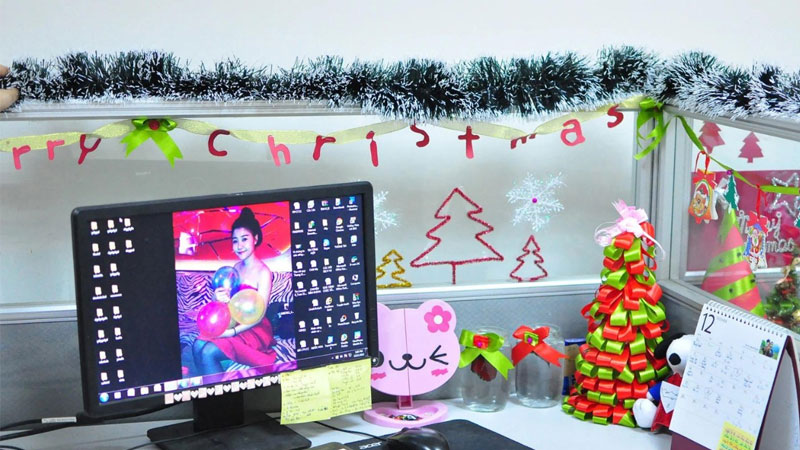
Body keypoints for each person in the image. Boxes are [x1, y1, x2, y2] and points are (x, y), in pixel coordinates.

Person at [193, 207, 277, 374]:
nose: (239, 246)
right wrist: (218, 298)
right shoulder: (236, 267)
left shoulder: (264, 272)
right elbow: (230, 304)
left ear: (255, 239)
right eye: (235, 241)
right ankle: (205, 387)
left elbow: (259, 315)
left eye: (244, 239)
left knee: (208, 352)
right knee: (197, 345)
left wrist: (231, 332)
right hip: (234, 321)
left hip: (253, 329)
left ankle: (220, 390)